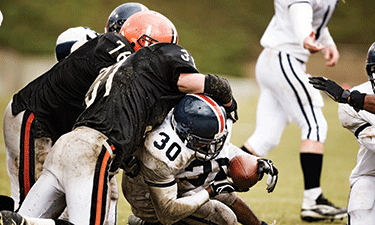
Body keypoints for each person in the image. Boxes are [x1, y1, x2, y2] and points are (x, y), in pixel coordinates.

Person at [1, 10, 238, 225]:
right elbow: (200, 83)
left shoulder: (115, 68)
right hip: (91, 149)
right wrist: (226, 97)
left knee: (27, 212)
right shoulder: (158, 59)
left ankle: (25, 221)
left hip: (66, 143)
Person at [3, 3, 148, 214]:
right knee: (31, 200)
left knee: (94, 196)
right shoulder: (98, 44)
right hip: (36, 119)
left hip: (68, 132)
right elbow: (67, 48)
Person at [239, 0, 346, 222]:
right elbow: (300, 9)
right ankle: (313, 200)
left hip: (277, 59)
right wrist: (305, 36)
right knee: (315, 124)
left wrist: (328, 42)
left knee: (265, 137)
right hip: (284, 59)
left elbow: (315, 18)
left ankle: (213, 182)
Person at [122, 93, 278, 225]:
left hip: (176, 184)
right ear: (187, 136)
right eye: (205, 142)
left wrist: (253, 161)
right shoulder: (161, 155)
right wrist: (210, 191)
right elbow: (167, 212)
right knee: (225, 217)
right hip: (150, 199)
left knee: (226, 195)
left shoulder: (189, 136)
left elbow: (223, 152)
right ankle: (148, 221)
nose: (212, 147)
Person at [310, 42, 375, 224]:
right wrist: (352, 99)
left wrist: (352, 98)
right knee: (361, 208)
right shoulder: (350, 107)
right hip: (371, 176)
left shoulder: (353, 99)